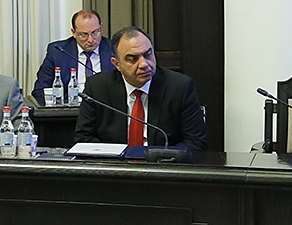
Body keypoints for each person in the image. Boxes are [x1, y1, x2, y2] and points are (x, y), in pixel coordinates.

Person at [73, 25, 208, 152]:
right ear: (117, 64)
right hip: (115, 166)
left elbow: (196, 142)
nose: (144, 64)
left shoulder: (180, 87)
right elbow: (84, 138)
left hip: (162, 165)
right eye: (133, 59)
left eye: (148, 55)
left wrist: (162, 157)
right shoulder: (97, 88)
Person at [33, 8, 114, 103]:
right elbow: (40, 90)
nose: (90, 40)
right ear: (74, 33)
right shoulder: (58, 52)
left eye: (95, 32)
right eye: (84, 35)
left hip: (105, 108)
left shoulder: (114, 49)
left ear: (101, 28)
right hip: (69, 108)